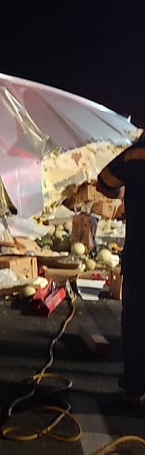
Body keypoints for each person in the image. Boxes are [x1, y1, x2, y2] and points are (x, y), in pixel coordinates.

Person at [97, 133, 145, 408]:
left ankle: (133, 391)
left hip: (140, 256)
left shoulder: (135, 154)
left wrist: (124, 190)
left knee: (137, 324)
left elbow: (105, 184)